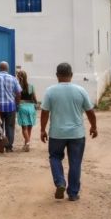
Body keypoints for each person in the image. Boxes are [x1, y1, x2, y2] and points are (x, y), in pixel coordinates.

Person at [40, 62, 98, 201]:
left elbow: (44, 112)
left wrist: (42, 130)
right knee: (75, 162)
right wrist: (93, 127)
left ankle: (60, 182)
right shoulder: (80, 90)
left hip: (57, 133)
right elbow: (90, 112)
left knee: (54, 157)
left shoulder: (50, 91)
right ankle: (73, 193)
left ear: (57, 75)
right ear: (71, 75)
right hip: (77, 134)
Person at [0, 61, 22, 152]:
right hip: (10, 107)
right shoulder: (13, 79)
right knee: (10, 127)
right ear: (7, 68)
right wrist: (17, 104)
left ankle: (1, 146)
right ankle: (9, 147)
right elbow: (18, 92)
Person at [16, 69, 39, 152]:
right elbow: (35, 99)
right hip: (31, 107)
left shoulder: (18, 86)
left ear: (18, 77)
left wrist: (17, 105)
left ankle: (27, 142)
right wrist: (36, 105)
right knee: (29, 128)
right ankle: (26, 144)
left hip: (22, 107)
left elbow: (17, 98)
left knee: (24, 128)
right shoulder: (31, 86)